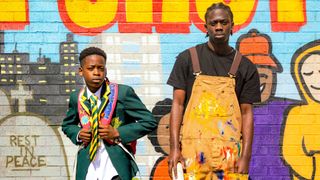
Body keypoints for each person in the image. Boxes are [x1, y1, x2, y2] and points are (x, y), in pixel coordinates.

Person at [167, 2, 260, 179]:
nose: (219, 27)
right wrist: (173, 149)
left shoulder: (245, 67)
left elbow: (247, 114)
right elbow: (177, 105)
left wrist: (245, 156)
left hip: (229, 155)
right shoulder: (187, 59)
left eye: (224, 23)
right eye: (214, 23)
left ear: (232, 26)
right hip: (192, 154)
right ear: (206, 27)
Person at [61, 47, 158, 180]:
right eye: (91, 68)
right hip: (88, 166)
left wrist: (117, 132)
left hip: (116, 166)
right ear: (81, 71)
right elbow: (67, 125)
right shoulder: (76, 97)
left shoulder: (122, 93)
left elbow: (150, 121)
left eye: (101, 68)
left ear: (105, 70)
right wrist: (78, 134)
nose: (96, 73)